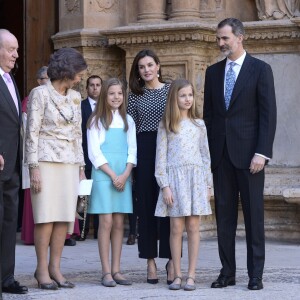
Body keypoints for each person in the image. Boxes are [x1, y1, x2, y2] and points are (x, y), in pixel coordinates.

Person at [203, 18, 277, 291]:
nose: (220, 43)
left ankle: (255, 274)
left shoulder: (260, 70)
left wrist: (262, 152)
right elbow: (209, 117)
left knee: (254, 216)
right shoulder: (212, 73)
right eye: (218, 38)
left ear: (240, 37)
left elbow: (268, 115)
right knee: (224, 217)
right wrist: (209, 156)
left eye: (225, 38)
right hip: (221, 157)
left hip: (251, 158)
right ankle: (227, 272)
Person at [25, 47, 87, 290]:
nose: (81, 76)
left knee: (64, 217)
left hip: (70, 162)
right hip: (45, 160)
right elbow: (32, 133)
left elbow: (77, 134)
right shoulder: (39, 94)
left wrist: (81, 167)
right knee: (45, 217)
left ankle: (56, 268)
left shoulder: (74, 97)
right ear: (69, 69)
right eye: (79, 71)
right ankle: (41, 270)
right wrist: (34, 167)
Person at [154, 79, 212, 291]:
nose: (187, 99)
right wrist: (165, 186)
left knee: (193, 226)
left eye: (190, 95)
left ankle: (191, 274)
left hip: (195, 181)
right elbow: (160, 159)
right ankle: (176, 274)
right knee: (176, 227)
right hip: (175, 182)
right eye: (182, 96)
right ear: (174, 99)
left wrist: (208, 186)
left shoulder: (199, 125)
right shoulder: (167, 125)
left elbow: (206, 157)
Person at [127, 49, 174, 284]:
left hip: (168, 148)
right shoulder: (135, 95)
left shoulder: (170, 90)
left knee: (168, 206)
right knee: (145, 207)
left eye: (149, 65)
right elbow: (130, 129)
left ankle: (171, 259)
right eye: (141, 67)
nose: (146, 70)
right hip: (144, 149)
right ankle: (150, 261)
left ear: (158, 65)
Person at [87, 78, 137, 287]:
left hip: (122, 175)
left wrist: (125, 174)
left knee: (119, 223)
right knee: (106, 222)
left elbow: (132, 150)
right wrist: (112, 175)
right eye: (111, 93)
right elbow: (94, 152)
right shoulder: (96, 120)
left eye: (119, 93)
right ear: (104, 96)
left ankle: (117, 269)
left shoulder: (128, 120)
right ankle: (106, 270)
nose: (116, 97)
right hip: (104, 174)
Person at [0, 29, 28, 296]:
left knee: (9, 222)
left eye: (17, 49)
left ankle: (6, 277)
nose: (16, 55)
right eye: (11, 49)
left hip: (12, 165)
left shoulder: (9, 79)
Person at [21, 66, 49, 245]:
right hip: (36, 153)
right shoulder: (29, 100)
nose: (47, 81)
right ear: (38, 81)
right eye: (44, 78)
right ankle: (33, 235)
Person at [79, 75, 102, 241]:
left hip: (102, 160)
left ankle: (100, 231)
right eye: (92, 85)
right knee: (83, 195)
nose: (95, 88)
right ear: (87, 88)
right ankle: (83, 230)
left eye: (98, 85)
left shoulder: (106, 106)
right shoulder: (81, 106)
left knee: (100, 195)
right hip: (85, 157)